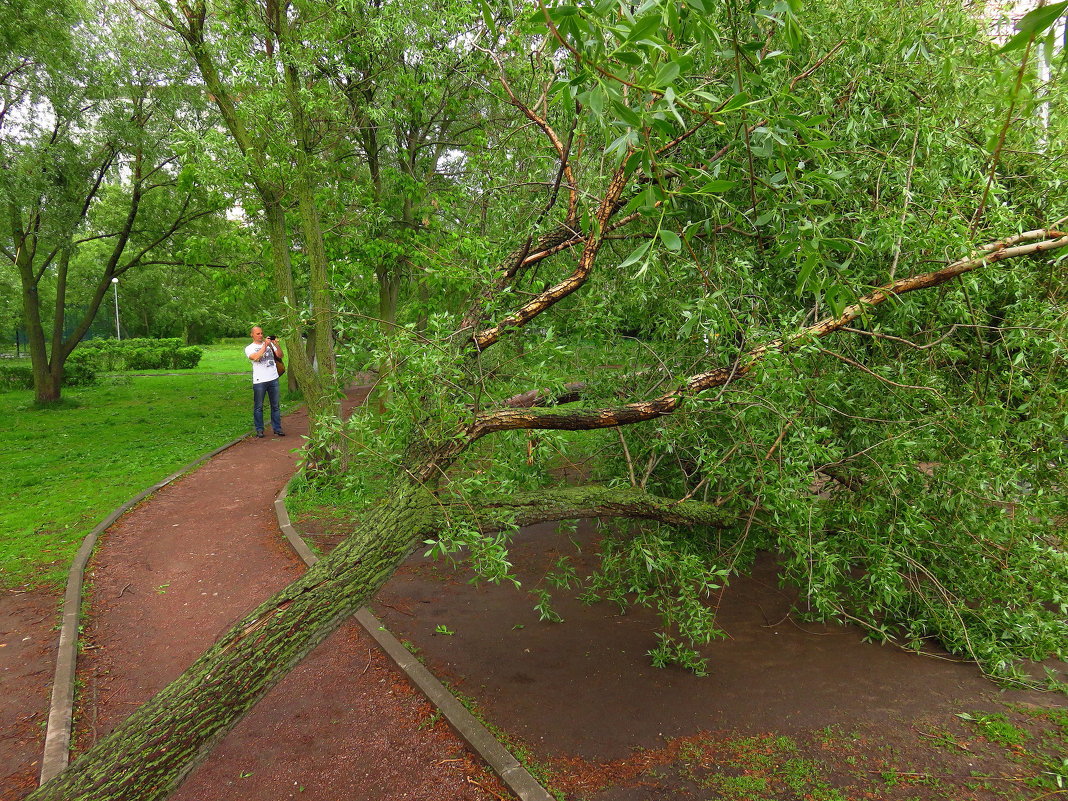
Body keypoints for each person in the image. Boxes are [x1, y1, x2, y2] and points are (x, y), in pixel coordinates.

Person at [245, 326, 285, 438]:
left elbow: (280, 355)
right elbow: (256, 358)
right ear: (252, 335)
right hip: (259, 381)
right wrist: (265, 346)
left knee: (275, 405)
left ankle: (277, 428)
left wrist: (276, 344)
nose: (260, 335)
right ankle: (259, 429)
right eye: (258, 333)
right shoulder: (249, 348)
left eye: (261, 333)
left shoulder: (270, 344)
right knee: (259, 406)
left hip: (273, 378)